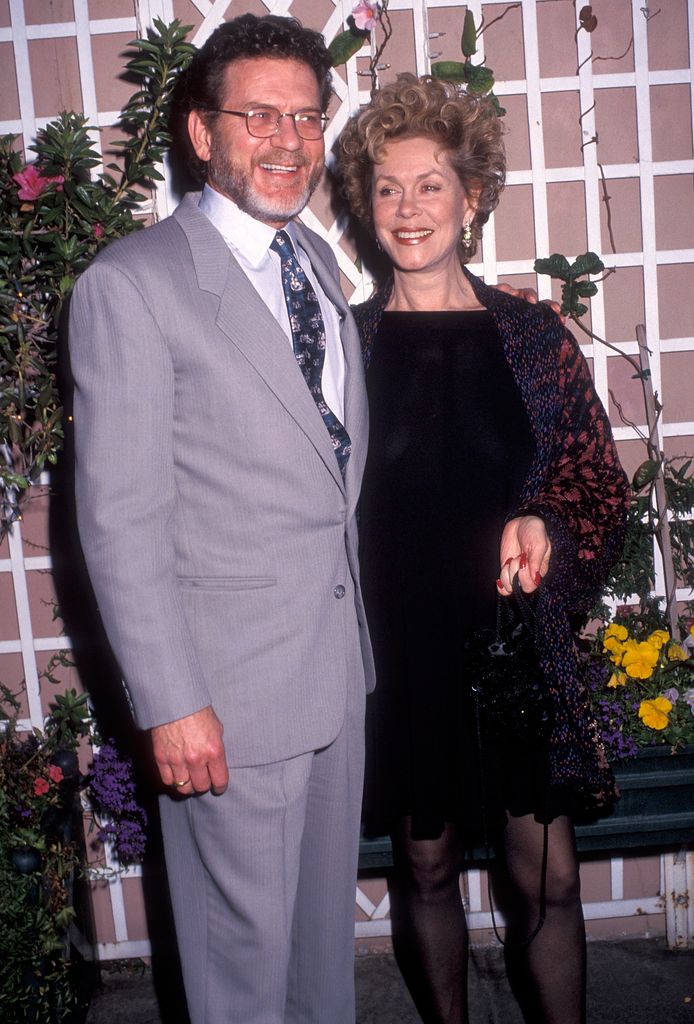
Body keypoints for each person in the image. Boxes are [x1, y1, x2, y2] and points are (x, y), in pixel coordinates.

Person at [68, 15, 374, 1024]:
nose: (290, 140)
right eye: (260, 116)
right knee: (239, 979)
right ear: (202, 132)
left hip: (332, 674)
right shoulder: (131, 284)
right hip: (224, 700)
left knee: (321, 961)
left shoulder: (318, 266)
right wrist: (169, 701)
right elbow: (119, 517)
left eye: (306, 116)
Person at [337, 74, 630, 1024]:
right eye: (387, 187)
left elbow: (597, 480)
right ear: (365, 205)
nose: (408, 208)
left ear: (470, 197)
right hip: (403, 644)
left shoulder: (532, 336)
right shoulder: (348, 345)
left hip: (514, 640)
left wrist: (545, 516)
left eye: (430, 185)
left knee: (544, 880)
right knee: (423, 872)